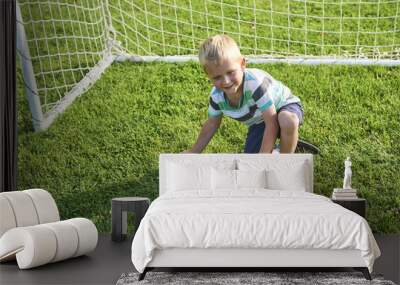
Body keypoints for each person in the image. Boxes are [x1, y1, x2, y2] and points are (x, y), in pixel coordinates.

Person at [185, 34, 303, 153]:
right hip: (260, 119)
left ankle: (285, 157)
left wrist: (263, 158)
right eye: (217, 77)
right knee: (250, 158)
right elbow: (212, 124)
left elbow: (271, 122)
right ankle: (280, 145)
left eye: (230, 72)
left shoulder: (255, 85)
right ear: (208, 76)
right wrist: (193, 152)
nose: (226, 81)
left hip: (284, 107)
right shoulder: (217, 96)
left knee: (287, 121)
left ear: (242, 64)